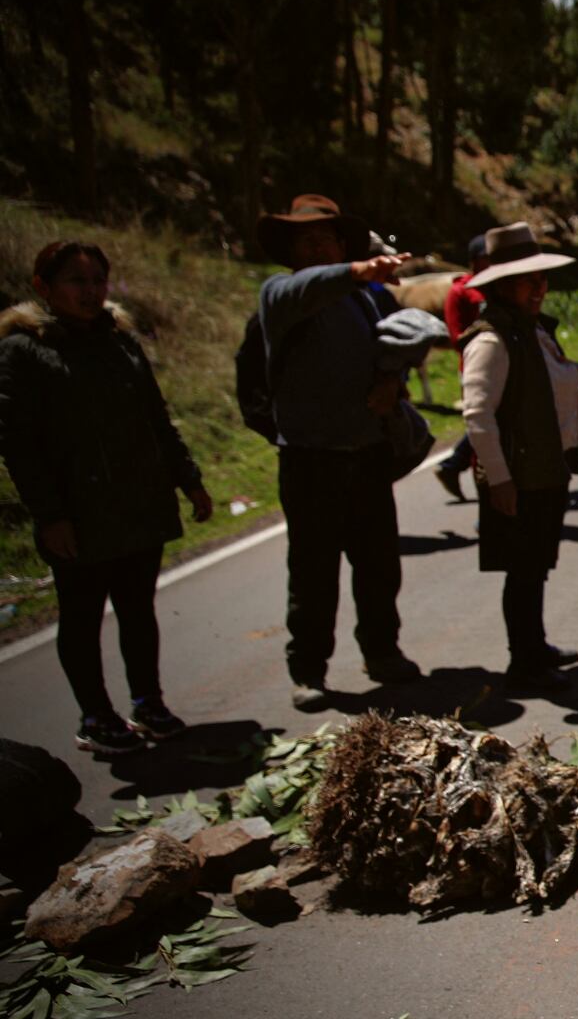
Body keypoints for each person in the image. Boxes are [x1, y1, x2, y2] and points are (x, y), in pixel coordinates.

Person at [0, 242, 213, 754]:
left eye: (98, 280)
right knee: (82, 613)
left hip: (139, 501)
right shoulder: (23, 352)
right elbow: (18, 444)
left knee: (138, 609)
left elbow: (156, 418)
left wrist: (189, 479)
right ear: (43, 287)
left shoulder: (120, 341)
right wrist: (50, 515)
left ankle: (148, 703)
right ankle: (95, 715)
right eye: (77, 280)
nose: (91, 290)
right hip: (79, 511)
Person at [256, 194, 418, 712]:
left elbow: (397, 346)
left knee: (378, 566)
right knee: (313, 574)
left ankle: (382, 652)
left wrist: (393, 380)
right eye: (308, 240)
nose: (320, 246)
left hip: (367, 454)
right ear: (292, 250)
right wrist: (355, 269)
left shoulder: (365, 300)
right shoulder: (281, 295)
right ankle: (308, 671)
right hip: (311, 460)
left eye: (328, 238)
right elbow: (309, 286)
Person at [458, 223, 578, 695]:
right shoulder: (492, 341)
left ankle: (535, 647)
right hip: (518, 475)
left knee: (535, 567)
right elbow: (477, 415)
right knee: (523, 571)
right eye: (526, 280)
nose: (539, 288)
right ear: (500, 285)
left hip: (544, 469)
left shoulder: (530, 331)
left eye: (541, 278)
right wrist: (499, 479)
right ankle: (524, 662)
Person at [433, 233, 491, 502]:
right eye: (485, 259)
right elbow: (457, 336)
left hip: (502, 366)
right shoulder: (461, 291)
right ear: (474, 261)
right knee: (485, 426)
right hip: (475, 368)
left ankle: (453, 466)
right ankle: (456, 467)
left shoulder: (496, 285)